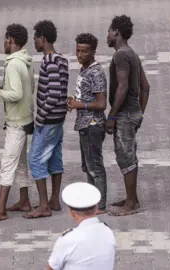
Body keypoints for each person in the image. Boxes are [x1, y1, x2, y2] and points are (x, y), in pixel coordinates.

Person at [0, 23, 34, 223]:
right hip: (26, 118)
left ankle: (0, 210)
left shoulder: (13, 64)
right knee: (20, 163)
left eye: (5, 39)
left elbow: (16, 94)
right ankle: (24, 201)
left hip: (17, 122)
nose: (3, 43)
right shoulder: (26, 61)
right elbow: (31, 89)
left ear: (11, 41)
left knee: (7, 165)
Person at [106, 15, 150, 216]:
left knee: (126, 156)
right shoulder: (132, 53)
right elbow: (145, 87)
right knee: (129, 155)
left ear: (116, 32)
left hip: (124, 114)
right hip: (132, 113)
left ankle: (131, 204)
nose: (107, 35)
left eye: (109, 31)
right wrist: (139, 113)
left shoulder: (120, 55)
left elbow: (122, 86)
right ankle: (132, 198)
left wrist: (112, 116)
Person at [25, 20, 69, 219]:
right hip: (59, 120)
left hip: (49, 120)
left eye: (35, 38)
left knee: (36, 159)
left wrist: (40, 118)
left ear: (43, 39)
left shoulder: (49, 61)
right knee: (54, 157)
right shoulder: (62, 60)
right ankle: (54, 199)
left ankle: (44, 205)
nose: (34, 42)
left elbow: (53, 93)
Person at [67, 33, 108, 214]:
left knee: (95, 167)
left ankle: (100, 205)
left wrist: (80, 104)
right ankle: (93, 203)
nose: (79, 55)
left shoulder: (95, 72)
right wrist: (75, 101)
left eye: (84, 51)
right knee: (88, 167)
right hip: (84, 125)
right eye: (77, 50)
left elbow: (101, 103)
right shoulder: (84, 69)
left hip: (93, 124)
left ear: (93, 52)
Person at [47, 182, 116, 270]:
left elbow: (51, 268)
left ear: (72, 213)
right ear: (96, 208)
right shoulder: (108, 232)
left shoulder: (68, 239)